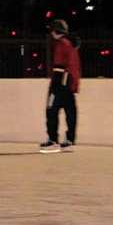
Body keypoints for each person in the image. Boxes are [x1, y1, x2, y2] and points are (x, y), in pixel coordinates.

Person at [39, 18, 81, 152]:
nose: (51, 34)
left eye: (52, 30)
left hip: (60, 81)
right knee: (70, 110)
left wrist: (55, 84)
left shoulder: (61, 44)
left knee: (51, 109)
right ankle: (69, 140)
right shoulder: (71, 44)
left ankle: (53, 140)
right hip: (70, 82)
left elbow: (59, 66)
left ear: (56, 31)